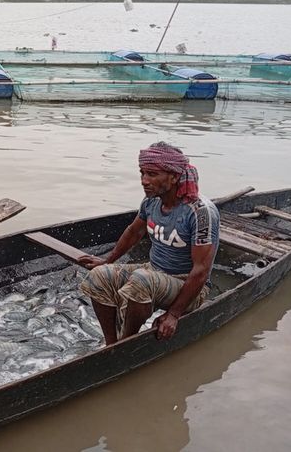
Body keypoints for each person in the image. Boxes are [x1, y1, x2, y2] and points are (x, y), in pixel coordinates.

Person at [77, 142, 219, 346]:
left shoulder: (200, 213)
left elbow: (201, 270)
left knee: (142, 280)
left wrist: (173, 315)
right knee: (99, 276)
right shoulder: (151, 201)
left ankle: (127, 343)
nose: (144, 180)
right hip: (155, 271)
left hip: (187, 284)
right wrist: (107, 261)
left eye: (152, 174)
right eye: (142, 173)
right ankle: (111, 344)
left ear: (174, 176)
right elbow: (134, 231)